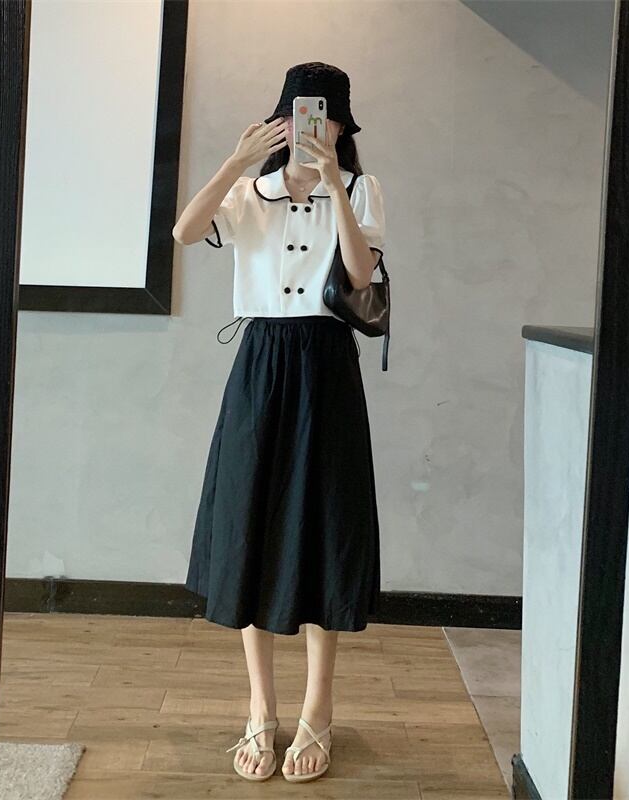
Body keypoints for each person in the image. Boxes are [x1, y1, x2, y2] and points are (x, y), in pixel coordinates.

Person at [172, 62, 385, 783]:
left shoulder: (361, 189)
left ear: (340, 125)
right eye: (296, 114)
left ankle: (317, 712)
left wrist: (334, 187)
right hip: (261, 362)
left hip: (327, 363)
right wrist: (236, 161)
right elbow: (184, 232)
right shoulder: (248, 193)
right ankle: (260, 711)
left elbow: (359, 276)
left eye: (322, 115)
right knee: (252, 521)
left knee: (323, 527)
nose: (308, 127)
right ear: (280, 121)